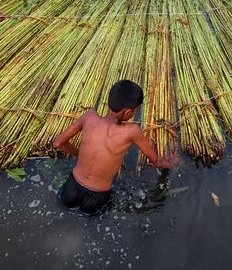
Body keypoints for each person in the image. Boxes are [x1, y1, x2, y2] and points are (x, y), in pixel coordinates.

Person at [53, 79, 177, 215]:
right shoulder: (132, 131)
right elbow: (156, 161)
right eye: (136, 111)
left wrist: (80, 153)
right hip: (97, 196)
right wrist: (171, 164)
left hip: (71, 187)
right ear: (127, 112)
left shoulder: (89, 116)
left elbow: (58, 143)